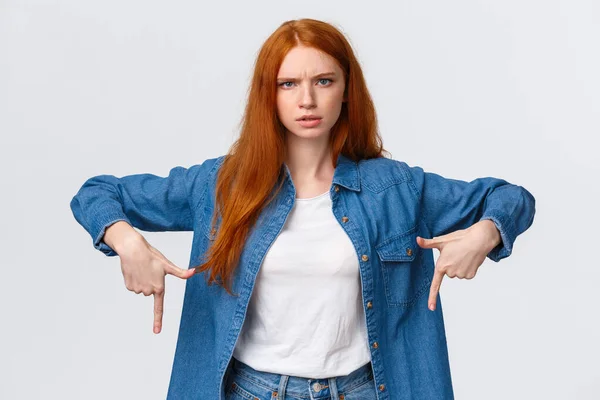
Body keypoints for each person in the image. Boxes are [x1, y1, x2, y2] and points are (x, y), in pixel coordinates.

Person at [70, 18, 536, 400]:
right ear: (268, 96)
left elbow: (511, 198)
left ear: (346, 91)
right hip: (250, 391)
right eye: (288, 83)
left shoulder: (395, 188)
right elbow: (97, 193)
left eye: (323, 81)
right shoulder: (220, 185)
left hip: (364, 391)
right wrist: (125, 239)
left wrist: (486, 234)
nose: (307, 99)